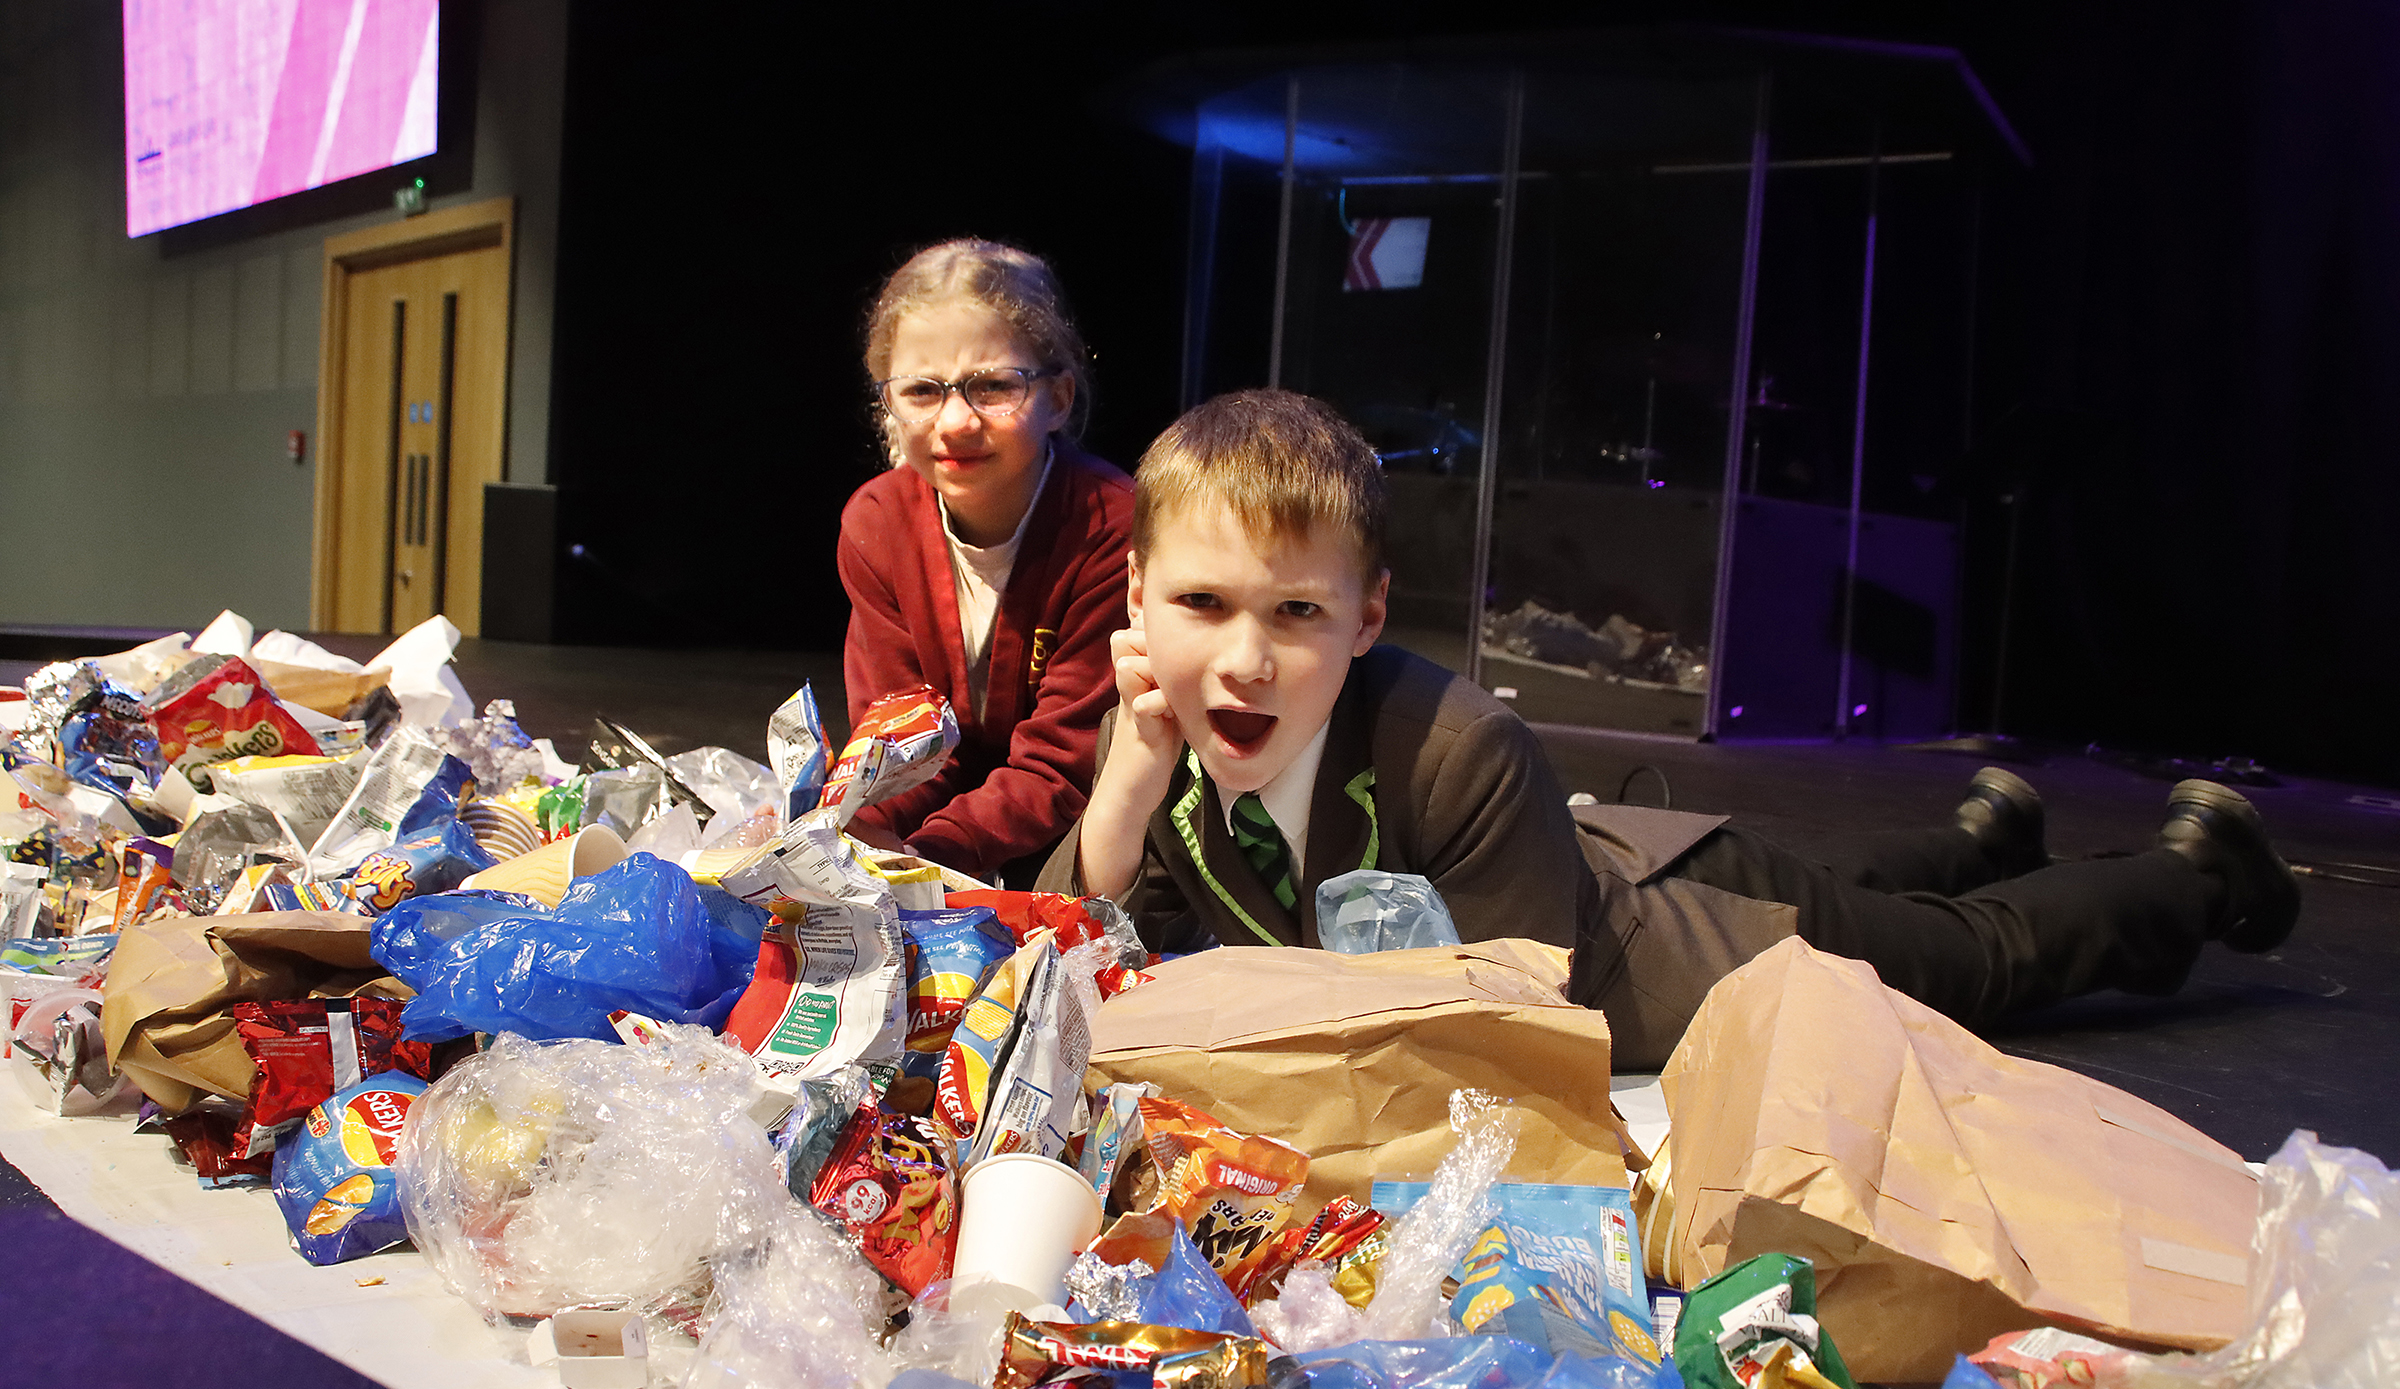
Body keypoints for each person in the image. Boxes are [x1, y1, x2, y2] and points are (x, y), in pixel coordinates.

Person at [1040, 389, 2303, 1069]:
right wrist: (1128, 787)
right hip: (1606, 850)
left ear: (1368, 617)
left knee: (1965, 965)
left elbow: (1515, 1016)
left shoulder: (1456, 743)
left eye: (1297, 612)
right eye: (1201, 603)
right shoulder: (1153, 728)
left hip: (1675, 942)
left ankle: (2196, 874)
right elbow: (1073, 947)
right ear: (1139, 599)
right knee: (1854, 886)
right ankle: (1983, 830)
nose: (1245, 660)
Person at [838, 239, 1135, 883]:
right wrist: (861, 823)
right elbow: (901, 733)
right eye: (921, 391)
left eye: (993, 386)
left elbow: (1066, 762)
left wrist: (937, 851)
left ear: (1058, 398)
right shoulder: (877, 523)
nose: (954, 422)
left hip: (1079, 841)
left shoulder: (1112, 528)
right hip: (939, 842)